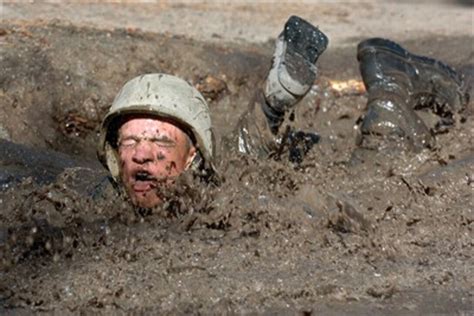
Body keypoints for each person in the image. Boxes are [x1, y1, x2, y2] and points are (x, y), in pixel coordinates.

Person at [95, 16, 469, 210]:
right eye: (130, 141)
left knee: (380, 188)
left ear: (192, 154)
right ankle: (389, 87)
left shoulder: (216, 202)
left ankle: (390, 91)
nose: (141, 154)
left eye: (160, 141)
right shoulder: (91, 199)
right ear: (114, 152)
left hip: (324, 177)